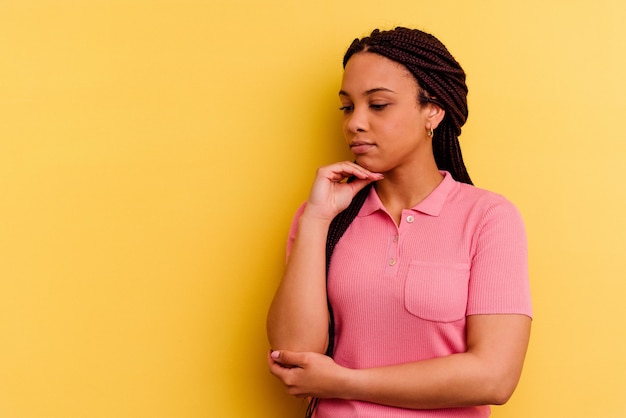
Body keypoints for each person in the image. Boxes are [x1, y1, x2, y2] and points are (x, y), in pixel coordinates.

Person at [266, 27, 532, 418]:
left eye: (378, 105)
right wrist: (316, 220)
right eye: (347, 107)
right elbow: (295, 361)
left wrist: (344, 382)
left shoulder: (488, 218)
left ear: (433, 111)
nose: (355, 123)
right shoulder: (323, 217)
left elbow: (494, 377)